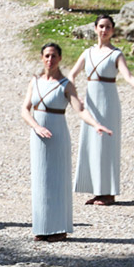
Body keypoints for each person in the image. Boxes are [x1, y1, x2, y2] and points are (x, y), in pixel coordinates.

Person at [21, 43, 112, 242]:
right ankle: (42, 227)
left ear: (60, 58)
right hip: (38, 137)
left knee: (57, 181)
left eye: (54, 56)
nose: (50, 60)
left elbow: (80, 109)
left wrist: (96, 124)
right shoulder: (34, 82)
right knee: (40, 181)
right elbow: (25, 109)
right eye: (46, 56)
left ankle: (59, 228)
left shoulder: (65, 84)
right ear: (41, 57)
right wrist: (36, 126)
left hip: (58, 134)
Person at [69, 15, 134, 206]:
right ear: (95, 29)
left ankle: (108, 193)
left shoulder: (116, 54)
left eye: (108, 27)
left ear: (113, 30)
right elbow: (72, 75)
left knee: (106, 146)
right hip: (91, 103)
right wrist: (74, 95)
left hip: (108, 103)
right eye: (101, 26)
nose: (104, 30)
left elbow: (128, 76)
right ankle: (96, 190)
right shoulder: (87, 53)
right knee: (91, 144)